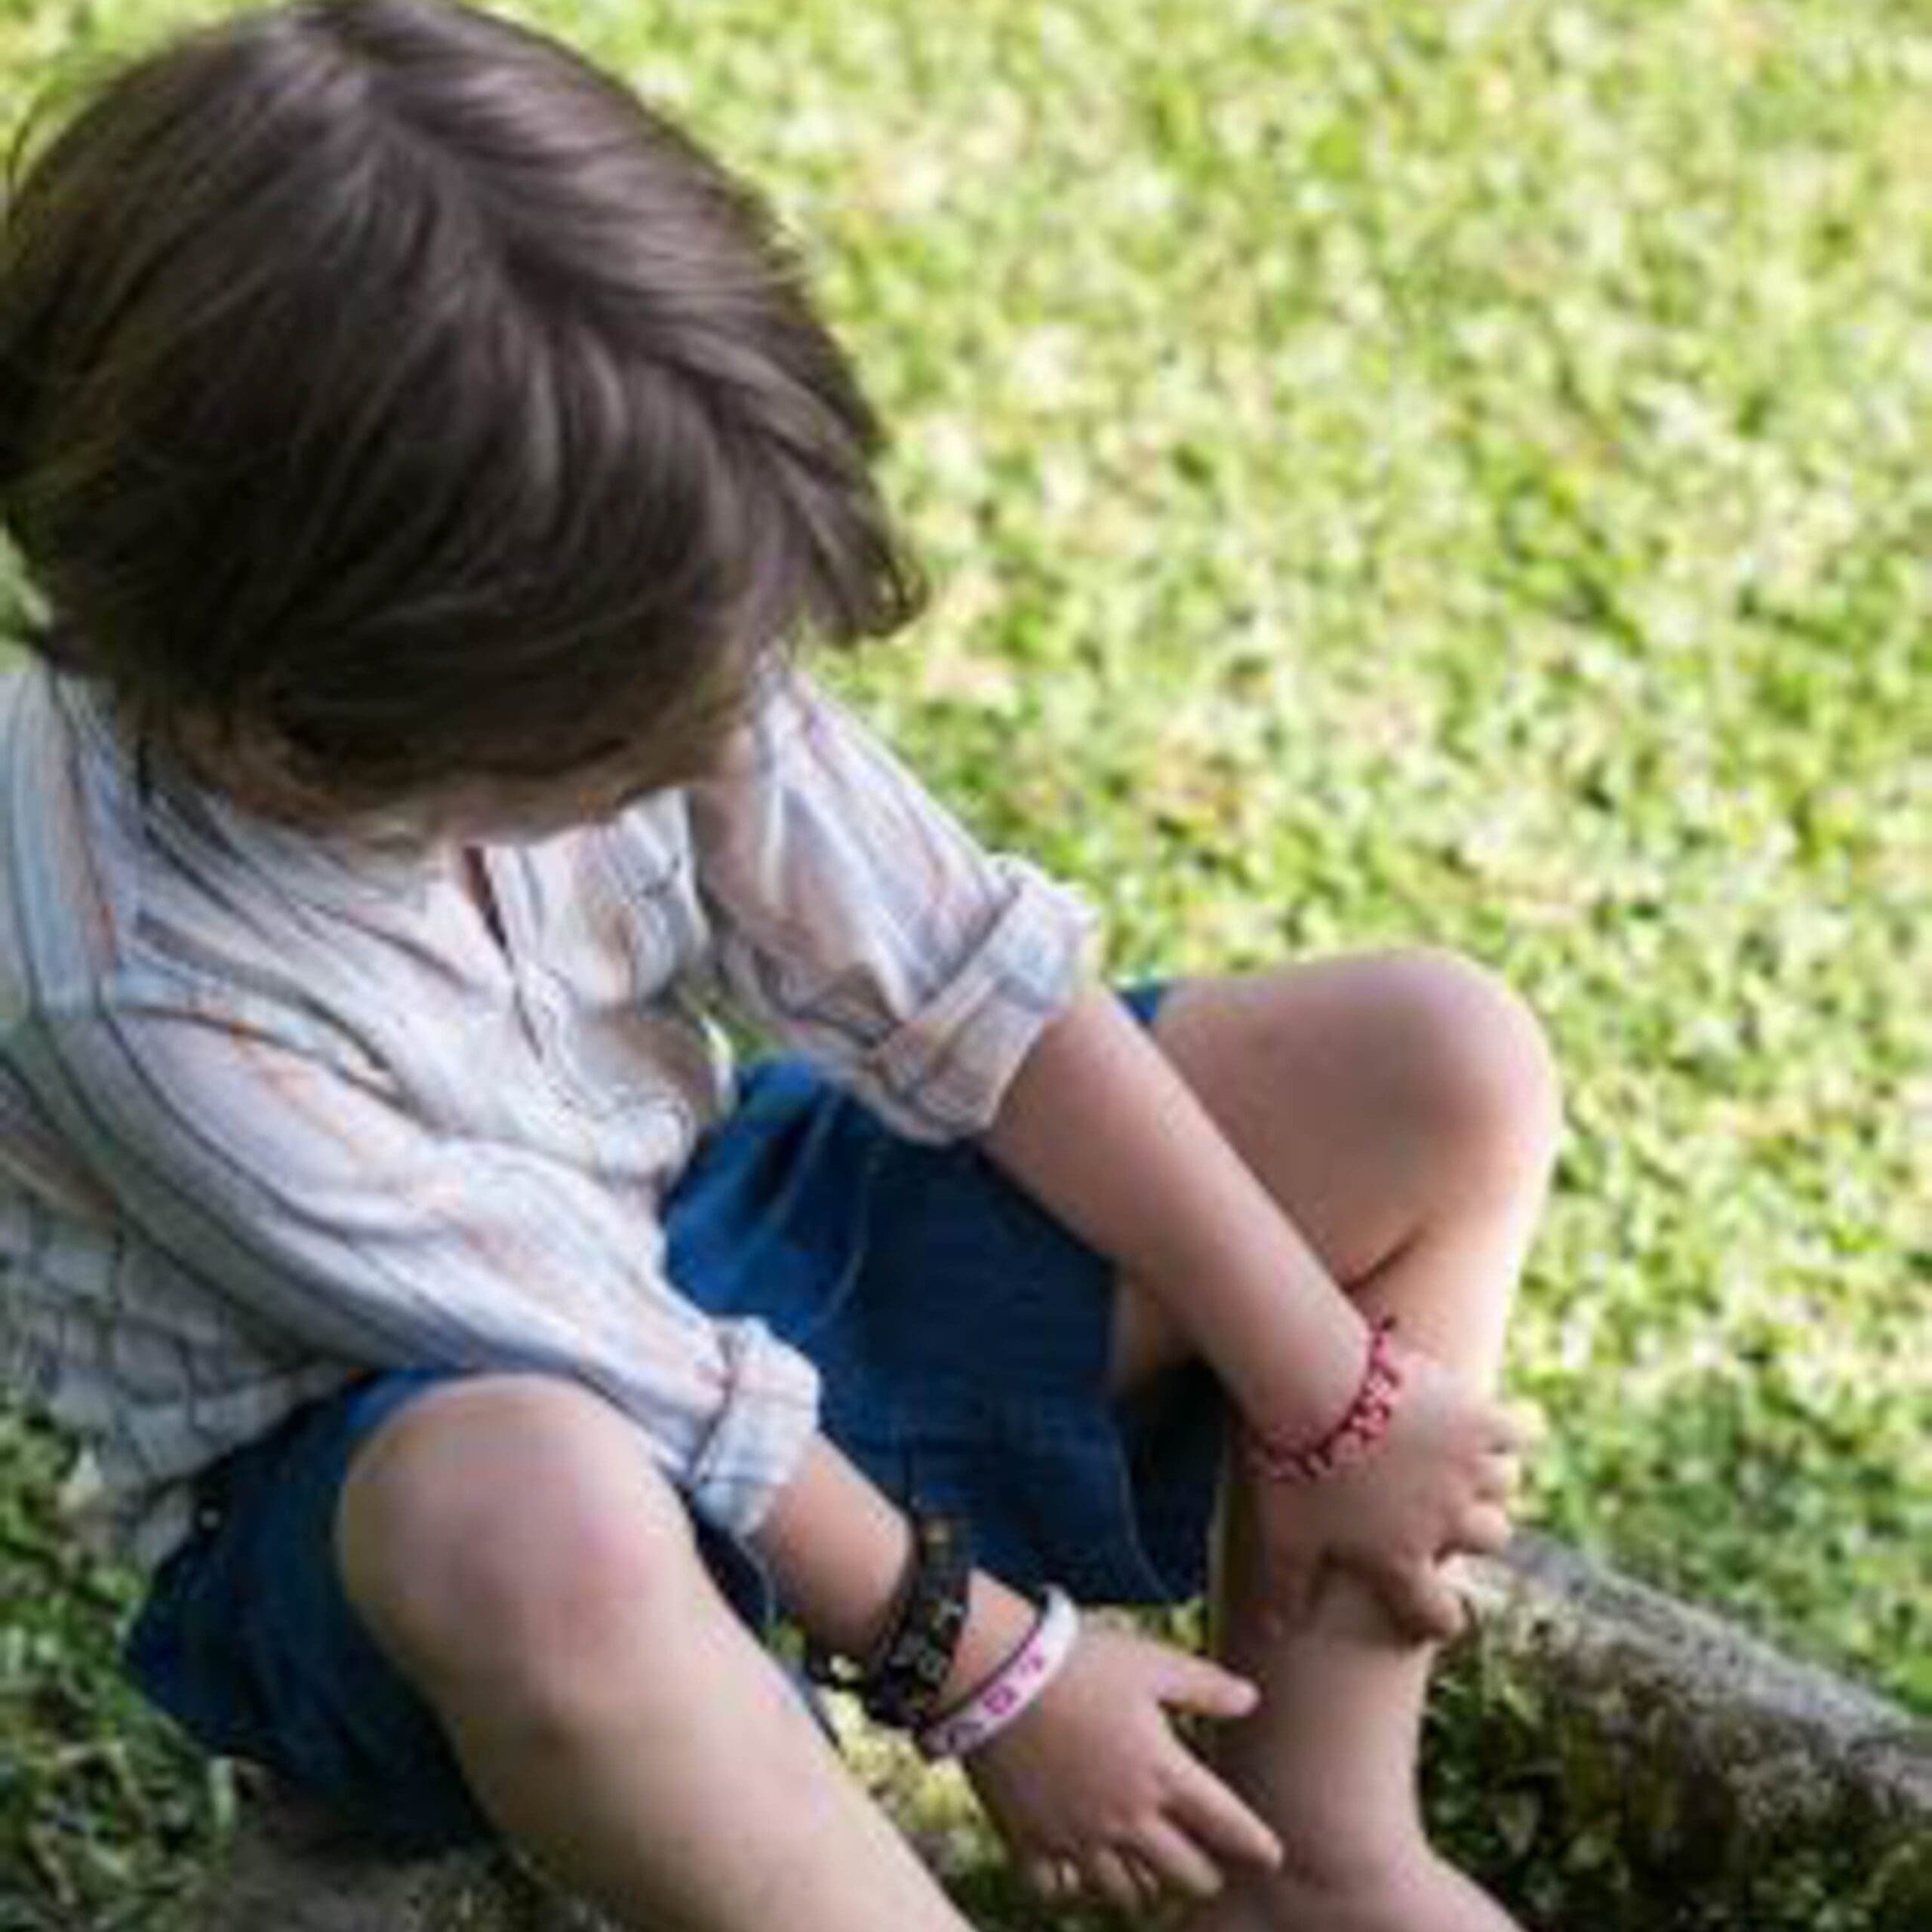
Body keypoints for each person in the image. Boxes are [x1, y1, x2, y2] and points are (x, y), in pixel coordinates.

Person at [0, 5, 1562, 1928]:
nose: (696, 746)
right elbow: (594, 1351)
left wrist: (1328, 1389)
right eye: (614, 746)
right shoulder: (128, 979)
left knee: (1432, 1060)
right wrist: (989, 1666)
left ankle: (1312, 1851)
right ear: (291, 727)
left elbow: (953, 972)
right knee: (527, 1499)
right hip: (405, 1501)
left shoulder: (593, 582)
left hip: (700, 1237)